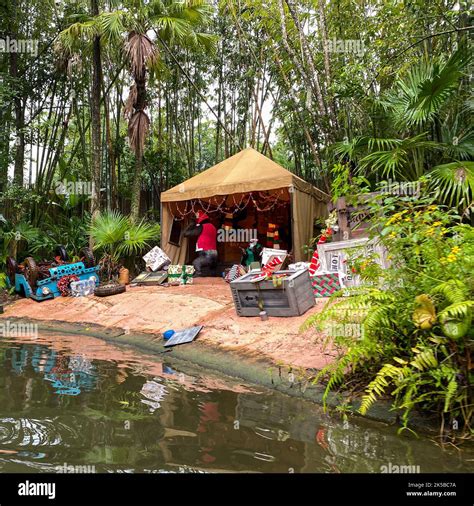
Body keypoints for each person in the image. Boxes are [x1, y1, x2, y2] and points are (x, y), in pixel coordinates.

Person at [183, 211, 218, 276]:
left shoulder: (202, 226)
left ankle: (198, 276)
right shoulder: (213, 227)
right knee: (211, 273)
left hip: (206, 253)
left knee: (196, 263)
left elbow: (186, 233)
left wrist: (192, 223)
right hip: (214, 253)